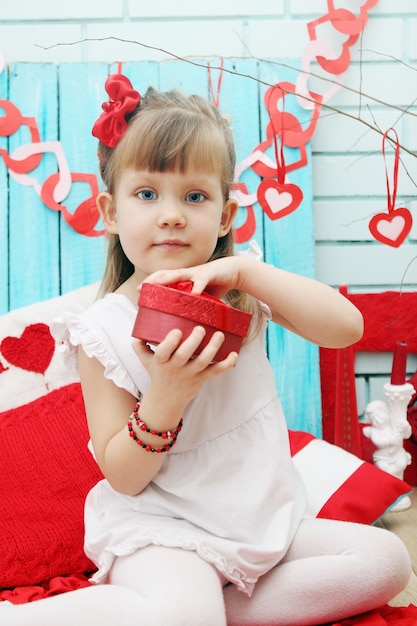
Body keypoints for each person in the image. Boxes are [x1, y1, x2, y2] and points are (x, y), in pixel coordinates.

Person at [3, 74, 410, 626]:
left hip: (261, 521)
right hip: (164, 533)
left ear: (222, 216)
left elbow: (346, 329)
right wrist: (167, 394)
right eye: (147, 194)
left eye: (194, 196)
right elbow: (123, 476)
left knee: (383, 561)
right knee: (184, 604)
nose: (172, 214)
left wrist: (246, 269)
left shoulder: (243, 292)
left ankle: (198, 613)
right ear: (111, 212)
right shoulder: (103, 330)